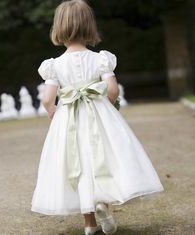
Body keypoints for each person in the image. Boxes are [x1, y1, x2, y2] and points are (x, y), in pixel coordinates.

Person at [31, 0, 164, 234]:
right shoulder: (101, 58)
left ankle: (89, 224)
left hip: (69, 119)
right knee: (104, 158)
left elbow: (47, 98)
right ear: (89, 26)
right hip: (99, 116)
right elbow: (113, 89)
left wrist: (53, 112)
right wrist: (110, 106)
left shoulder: (54, 65)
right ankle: (104, 203)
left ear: (58, 28)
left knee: (77, 163)